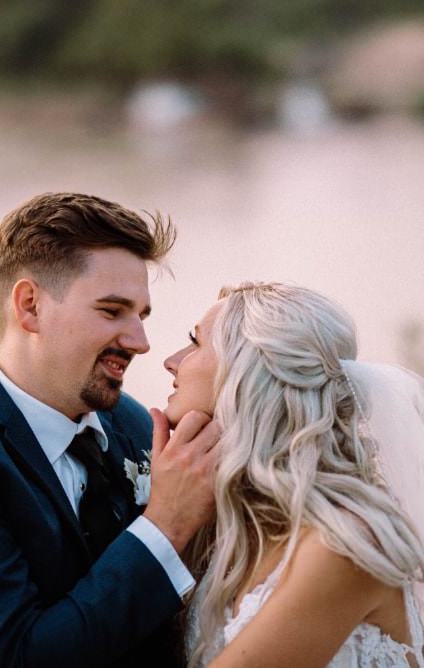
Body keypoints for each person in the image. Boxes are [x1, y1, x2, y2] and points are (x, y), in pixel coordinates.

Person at [0, 192, 218, 667]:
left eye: (141, 315)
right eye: (112, 312)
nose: (140, 342)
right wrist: (167, 524)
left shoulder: (133, 425)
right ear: (30, 306)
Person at [157, 281, 424, 667]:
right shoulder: (230, 533)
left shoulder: (342, 544)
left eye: (195, 343)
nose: (171, 360)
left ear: (246, 375)